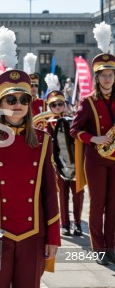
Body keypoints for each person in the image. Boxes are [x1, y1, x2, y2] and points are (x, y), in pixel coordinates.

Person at [0, 69, 61, 288]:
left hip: (33, 234)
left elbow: (49, 192)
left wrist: (53, 236)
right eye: (11, 99)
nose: (18, 103)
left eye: (24, 99)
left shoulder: (42, 140)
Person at [70, 53, 115, 265]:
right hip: (96, 159)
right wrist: (94, 138)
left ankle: (111, 246)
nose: (107, 79)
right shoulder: (87, 102)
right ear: (97, 78)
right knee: (97, 205)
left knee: (113, 205)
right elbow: (74, 129)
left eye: (111, 74)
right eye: (103, 75)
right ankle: (99, 249)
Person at [44, 91, 83, 237]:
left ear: (65, 105)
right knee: (62, 195)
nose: (58, 107)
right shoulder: (46, 123)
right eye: (54, 105)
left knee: (78, 194)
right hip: (58, 165)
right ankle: (65, 224)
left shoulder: (73, 120)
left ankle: (78, 223)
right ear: (50, 107)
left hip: (74, 163)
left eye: (60, 104)